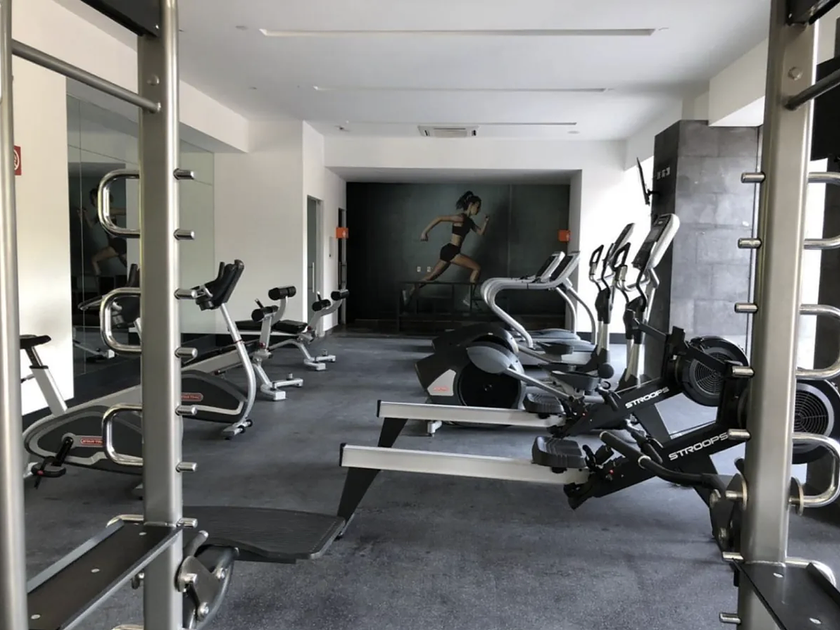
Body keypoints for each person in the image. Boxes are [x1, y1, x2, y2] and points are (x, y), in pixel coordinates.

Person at [403, 191, 490, 306]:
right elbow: (440, 218)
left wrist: (486, 222)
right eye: (477, 207)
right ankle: (469, 298)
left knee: (431, 277)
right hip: (452, 251)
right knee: (477, 268)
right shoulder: (460, 218)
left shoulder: (469, 221)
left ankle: (409, 293)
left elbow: (480, 233)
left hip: (450, 251)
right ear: (471, 205)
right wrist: (424, 233)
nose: (478, 210)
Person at [77, 188, 128, 276]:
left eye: (93, 199)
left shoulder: (109, 211)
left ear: (100, 199)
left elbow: (126, 211)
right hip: (116, 243)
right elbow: (91, 225)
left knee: (94, 260)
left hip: (117, 243)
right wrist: (84, 215)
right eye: (91, 200)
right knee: (130, 267)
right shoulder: (101, 213)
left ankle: (99, 281)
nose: (92, 202)